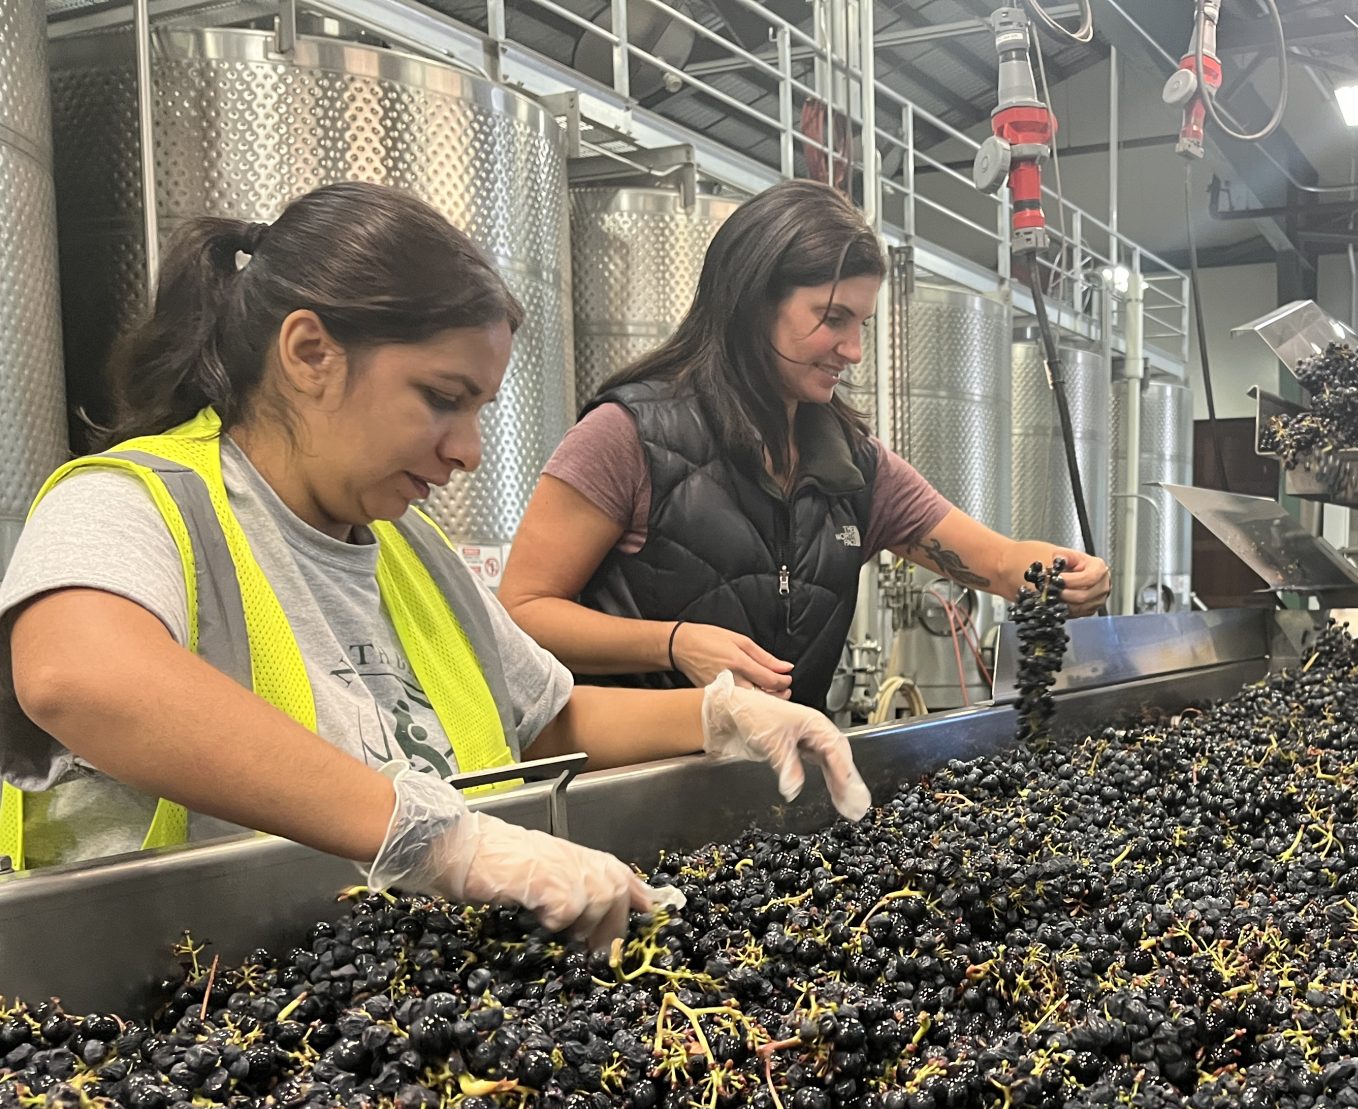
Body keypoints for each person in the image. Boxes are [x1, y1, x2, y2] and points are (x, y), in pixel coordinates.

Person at [0, 182, 871, 945]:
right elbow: (78, 677)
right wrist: (434, 837)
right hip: (191, 1019)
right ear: (309, 353)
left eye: (481, 408)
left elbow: (543, 720)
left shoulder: (410, 546)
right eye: (443, 399)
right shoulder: (137, 502)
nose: (469, 452)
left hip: (401, 998)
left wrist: (718, 719)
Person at [498, 179, 1110, 712]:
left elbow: (999, 563)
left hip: (783, 795)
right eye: (832, 317)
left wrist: (1058, 576)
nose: (854, 351)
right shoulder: (628, 435)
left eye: (861, 324)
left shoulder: (853, 463)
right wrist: (672, 642)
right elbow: (522, 609)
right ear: (752, 302)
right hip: (635, 790)